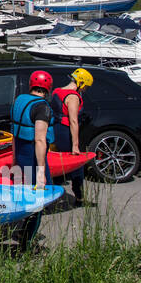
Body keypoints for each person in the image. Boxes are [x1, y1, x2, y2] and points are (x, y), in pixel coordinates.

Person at [9, 70, 54, 251]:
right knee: (39, 199)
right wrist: (41, 171)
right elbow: (40, 140)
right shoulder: (42, 107)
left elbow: (14, 134)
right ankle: (26, 242)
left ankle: (22, 231)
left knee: (26, 196)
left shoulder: (19, 100)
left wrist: (13, 159)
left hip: (20, 154)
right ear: (48, 87)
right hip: (33, 157)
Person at [51, 68, 93, 206]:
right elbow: (73, 121)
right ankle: (79, 197)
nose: (85, 90)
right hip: (65, 131)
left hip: (56, 129)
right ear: (81, 83)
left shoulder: (57, 91)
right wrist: (75, 145)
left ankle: (53, 192)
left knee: (57, 163)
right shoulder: (73, 97)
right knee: (76, 165)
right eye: (86, 87)